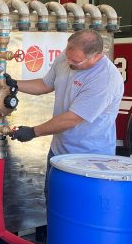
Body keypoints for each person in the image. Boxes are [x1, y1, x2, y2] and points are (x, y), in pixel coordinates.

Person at [9, 29, 124, 165]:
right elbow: (45, 84)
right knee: (51, 187)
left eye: (75, 61)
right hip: (58, 152)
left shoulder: (105, 79)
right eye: (67, 56)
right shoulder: (67, 56)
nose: (68, 62)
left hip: (89, 159)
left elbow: (72, 119)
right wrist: (13, 84)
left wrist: (33, 132)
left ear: (97, 57)